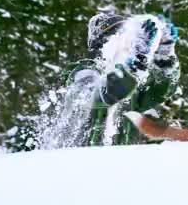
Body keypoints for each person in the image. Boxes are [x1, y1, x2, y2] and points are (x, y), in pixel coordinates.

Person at [62, 13, 180, 146]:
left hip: (121, 162)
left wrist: (165, 55)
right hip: (81, 160)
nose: (124, 43)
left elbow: (161, 91)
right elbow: (102, 94)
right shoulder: (82, 71)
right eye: (117, 36)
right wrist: (137, 63)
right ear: (101, 43)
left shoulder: (131, 86)